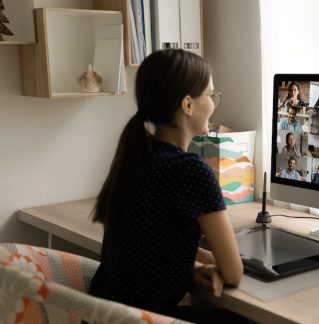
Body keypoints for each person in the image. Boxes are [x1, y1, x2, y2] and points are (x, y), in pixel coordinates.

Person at [89, 49, 246, 323]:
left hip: (105, 314)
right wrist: (201, 265)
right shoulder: (191, 171)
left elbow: (148, 242)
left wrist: (190, 266)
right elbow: (233, 273)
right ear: (188, 105)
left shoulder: (136, 156)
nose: (213, 104)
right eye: (210, 95)